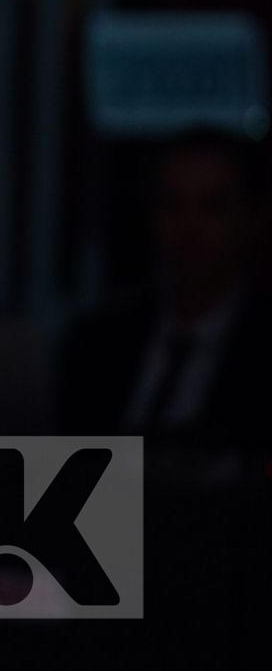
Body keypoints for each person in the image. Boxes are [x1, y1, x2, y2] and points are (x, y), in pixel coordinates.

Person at [58, 127, 270, 450]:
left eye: (213, 207)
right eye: (172, 205)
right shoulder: (98, 340)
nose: (189, 228)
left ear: (253, 219)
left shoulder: (260, 345)